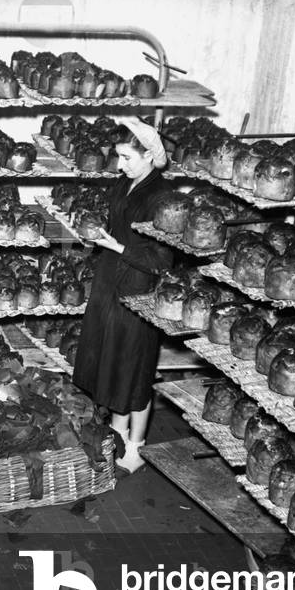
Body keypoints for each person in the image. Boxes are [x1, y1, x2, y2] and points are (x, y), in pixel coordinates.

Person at [72, 117, 176, 474]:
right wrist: (97, 233)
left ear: (149, 156)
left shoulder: (162, 198)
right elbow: (116, 225)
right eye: (118, 156)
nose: (120, 165)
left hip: (138, 291)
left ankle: (136, 447)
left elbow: (162, 259)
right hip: (109, 283)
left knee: (135, 370)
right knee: (112, 363)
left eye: (127, 157)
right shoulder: (125, 183)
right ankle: (117, 434)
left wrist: (116, 245)